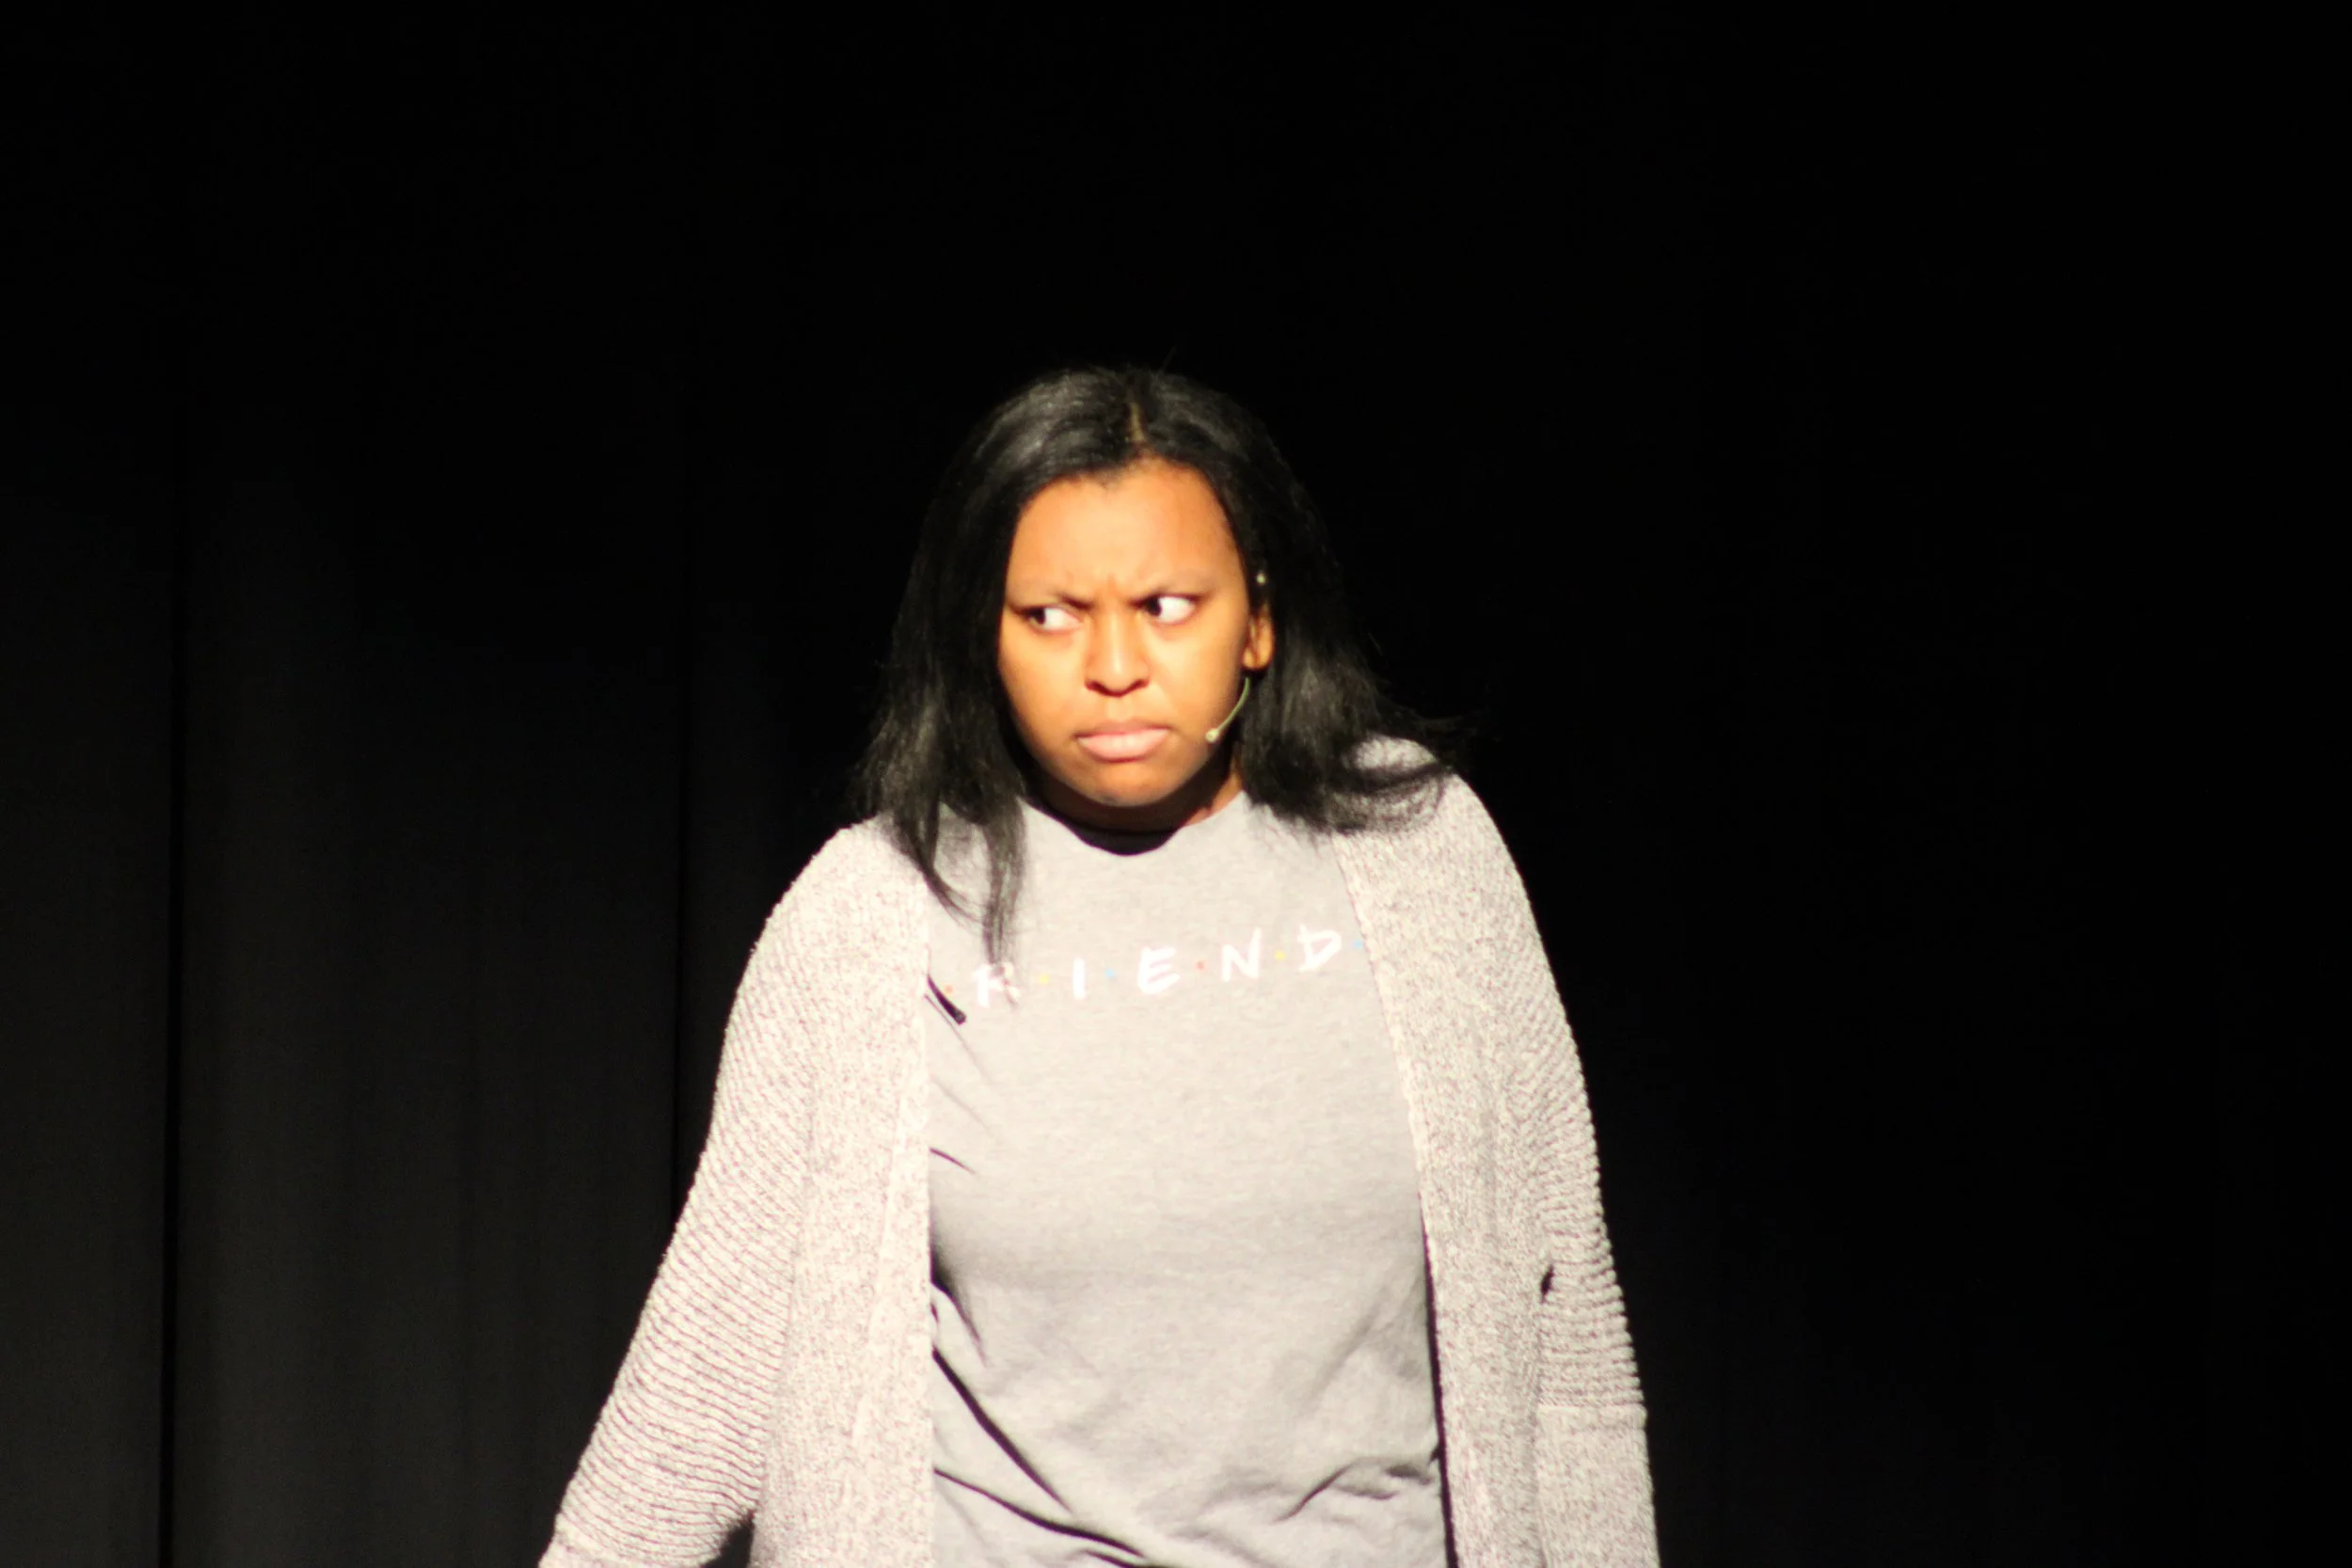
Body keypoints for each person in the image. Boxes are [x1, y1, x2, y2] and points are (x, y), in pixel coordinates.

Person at [541, 368, 1659, 1567]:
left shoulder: (1421, 853)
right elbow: (709, 1368)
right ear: (984, 633)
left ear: (1260, 618)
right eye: (1051, 615)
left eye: (1169, 604)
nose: (1113, 663)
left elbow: (1565, 1347)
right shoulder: (872, 914)